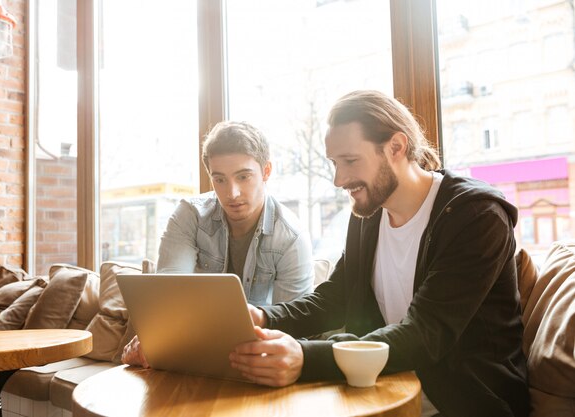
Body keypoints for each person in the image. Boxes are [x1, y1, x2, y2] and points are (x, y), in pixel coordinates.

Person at [229, 90, 530, 417]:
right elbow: (336, 297)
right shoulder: (368, 214)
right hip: (384, 391)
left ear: (396, 147)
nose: (339, 179)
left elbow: (425, 334)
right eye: (334, 163)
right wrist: (262, 317)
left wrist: (305, 359)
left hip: (467, 404)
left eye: (350, 161)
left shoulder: (476, 217)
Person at [122, 120, 315, 367]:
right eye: (220, 179)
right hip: (190, 353)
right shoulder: (189, 216)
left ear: (266, 171)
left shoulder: (291, 238)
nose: (232, 193)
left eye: (243, 177)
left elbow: (291, 332)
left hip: (255, 359)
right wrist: (155, 340)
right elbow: (168, 304)